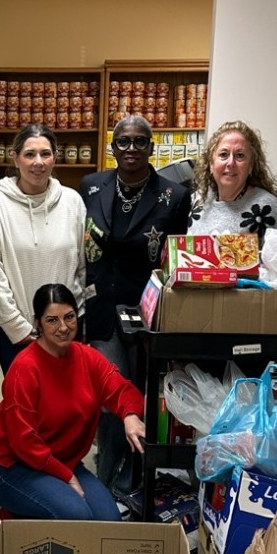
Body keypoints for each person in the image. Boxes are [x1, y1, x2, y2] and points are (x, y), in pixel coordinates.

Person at [80, 115, 190, 495]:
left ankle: (138, 477)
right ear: (112, 147)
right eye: (123, 141)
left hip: (148, 312)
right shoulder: (91, 187)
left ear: (152, 147)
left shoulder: (174, 196)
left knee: (145, 394)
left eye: (140, 142)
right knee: (109, 397)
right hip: (101, 309)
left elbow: (174, 260)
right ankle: (106, 478)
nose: (131, 149)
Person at [0, 284, 145, 521]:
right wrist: (66, 477)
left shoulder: (86, 357)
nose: (63, 327)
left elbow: (121, 388)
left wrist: (129, 415)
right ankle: (12, 519)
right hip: (12, 466)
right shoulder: (24, 368)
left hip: (62, 461)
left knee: (110, 521)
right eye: (52, 320)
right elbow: (23, 441)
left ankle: (42, 508)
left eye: (69, 317)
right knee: (77, 515)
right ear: (38, 324)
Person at [0, 124, 86, 374]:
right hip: (17, 335)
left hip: (64, 332)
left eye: (45, 154)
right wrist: (19, 329)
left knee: (65, 405)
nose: (38, 162)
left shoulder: (73, 202)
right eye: (29, 154)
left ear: (55, 157)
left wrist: (70, 321)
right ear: (15, 158)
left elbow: (81, 267)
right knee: (25, 407)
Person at [188, 119, 277, 242]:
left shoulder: (269, 209)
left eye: (239, 155)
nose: (230, 163)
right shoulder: (195, 201)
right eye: (223, 155)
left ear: (251, 165)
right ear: (211, 163)